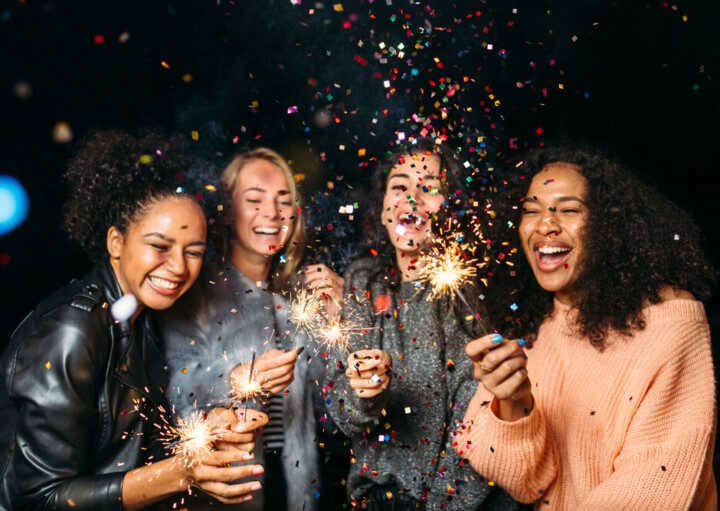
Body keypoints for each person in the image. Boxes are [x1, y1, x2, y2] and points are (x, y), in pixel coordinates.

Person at [0, 130, 268, 511]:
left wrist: (209, 429)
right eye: (159, 246)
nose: (178, 268)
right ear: (115, 242)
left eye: (193, 252)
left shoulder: (144, 317)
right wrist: (181, 472)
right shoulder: (70, 334)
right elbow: (36, 500)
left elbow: (136, 447)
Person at [455, 146, 718, 510]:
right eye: (531, 211)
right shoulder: (526, 329)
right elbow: (521, 482)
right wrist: (515, 405)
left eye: (568, 210)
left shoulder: (671, 321)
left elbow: (653, 489)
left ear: (608, 225)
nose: (545, 224)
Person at [324, 138, 521, 510]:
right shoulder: (362, 281)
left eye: (429, 188)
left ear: (452, 207)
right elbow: (342, 415)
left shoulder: (479, 293)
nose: (411, 199)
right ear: (383, 207)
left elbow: (484, 422)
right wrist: (365, 392)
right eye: (399, 186)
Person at [158, 147, 345, 511]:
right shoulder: (195, 289)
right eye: (254, 199)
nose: (272, 213)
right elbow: (174, 393)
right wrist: (237, 379)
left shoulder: (300, 297)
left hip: (294, 490)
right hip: (225, 490)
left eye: (283, 200)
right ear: (228, 211)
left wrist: (337, 322)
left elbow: (333, 413)